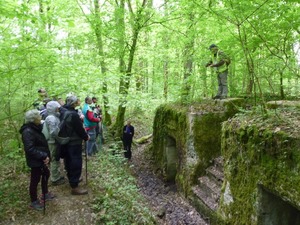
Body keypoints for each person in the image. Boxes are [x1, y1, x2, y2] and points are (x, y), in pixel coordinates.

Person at [19, 109, 55, 211]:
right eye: (39, 116)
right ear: (33, 119)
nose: (41, 118)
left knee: (46, 174)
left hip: (40, 158)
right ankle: (34, 201)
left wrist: (45, 156)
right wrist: (43, 156)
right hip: (35, 160)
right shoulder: (27, 131)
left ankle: (45, 194)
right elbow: (30, 149)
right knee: (35, 180)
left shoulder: (35, 128)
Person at [63, 95, 89, 195]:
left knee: (69, 161)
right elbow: (79, 129)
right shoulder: (73, 114)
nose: (79, 101)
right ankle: (74, 186)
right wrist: (86, 137)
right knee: (76, 162)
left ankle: (72, 179)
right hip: (74, 142)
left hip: (69, 141)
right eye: (77, 100)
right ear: (73, 103)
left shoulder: (66, 112)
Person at [44, 101, 65, 186]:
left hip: (55, 141)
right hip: (52, 142)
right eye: (57, 107)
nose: (58, 109)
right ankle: (55, 178)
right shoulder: (51, 118)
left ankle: (57, 175)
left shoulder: (54, 117)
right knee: (54, 159)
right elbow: (53, 132)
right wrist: (60, 138)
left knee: (56, 159)